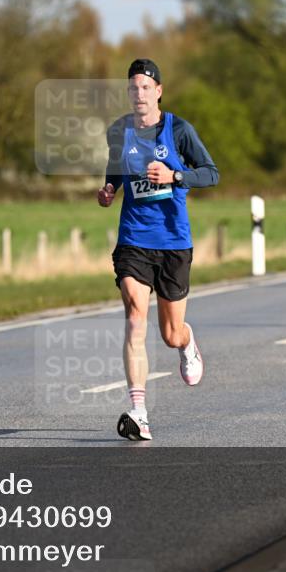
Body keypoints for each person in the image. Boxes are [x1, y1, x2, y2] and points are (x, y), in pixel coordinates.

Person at [97, 58, 219, 441]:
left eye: (146, 88)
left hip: (173, 241)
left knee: (169, 334)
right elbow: (116, 167)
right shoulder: (119, 131)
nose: (139, 94)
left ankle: (187, 341)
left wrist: (175, 175)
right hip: (134, 237)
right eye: (133, 88)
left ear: (159, 91)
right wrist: (110, 189)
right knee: (135, 314)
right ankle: (139, 411)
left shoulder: (179, 130)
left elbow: (211, 172)